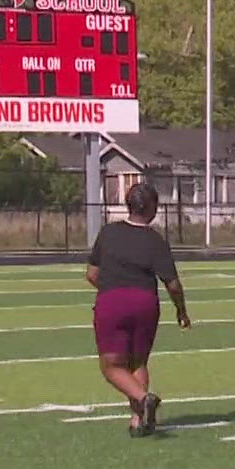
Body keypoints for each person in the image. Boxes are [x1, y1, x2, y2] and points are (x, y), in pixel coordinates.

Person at [88, 182, 191, 436]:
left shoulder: (109, 233)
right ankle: (138, 421)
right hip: (145, 302)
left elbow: (91, 274)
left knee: (111, 366)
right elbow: (173, 284)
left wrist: (114, 287)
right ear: (153, 208)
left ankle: (142, 398)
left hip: (112, 301)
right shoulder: (155, 240)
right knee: (138, 361)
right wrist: (181, 311)